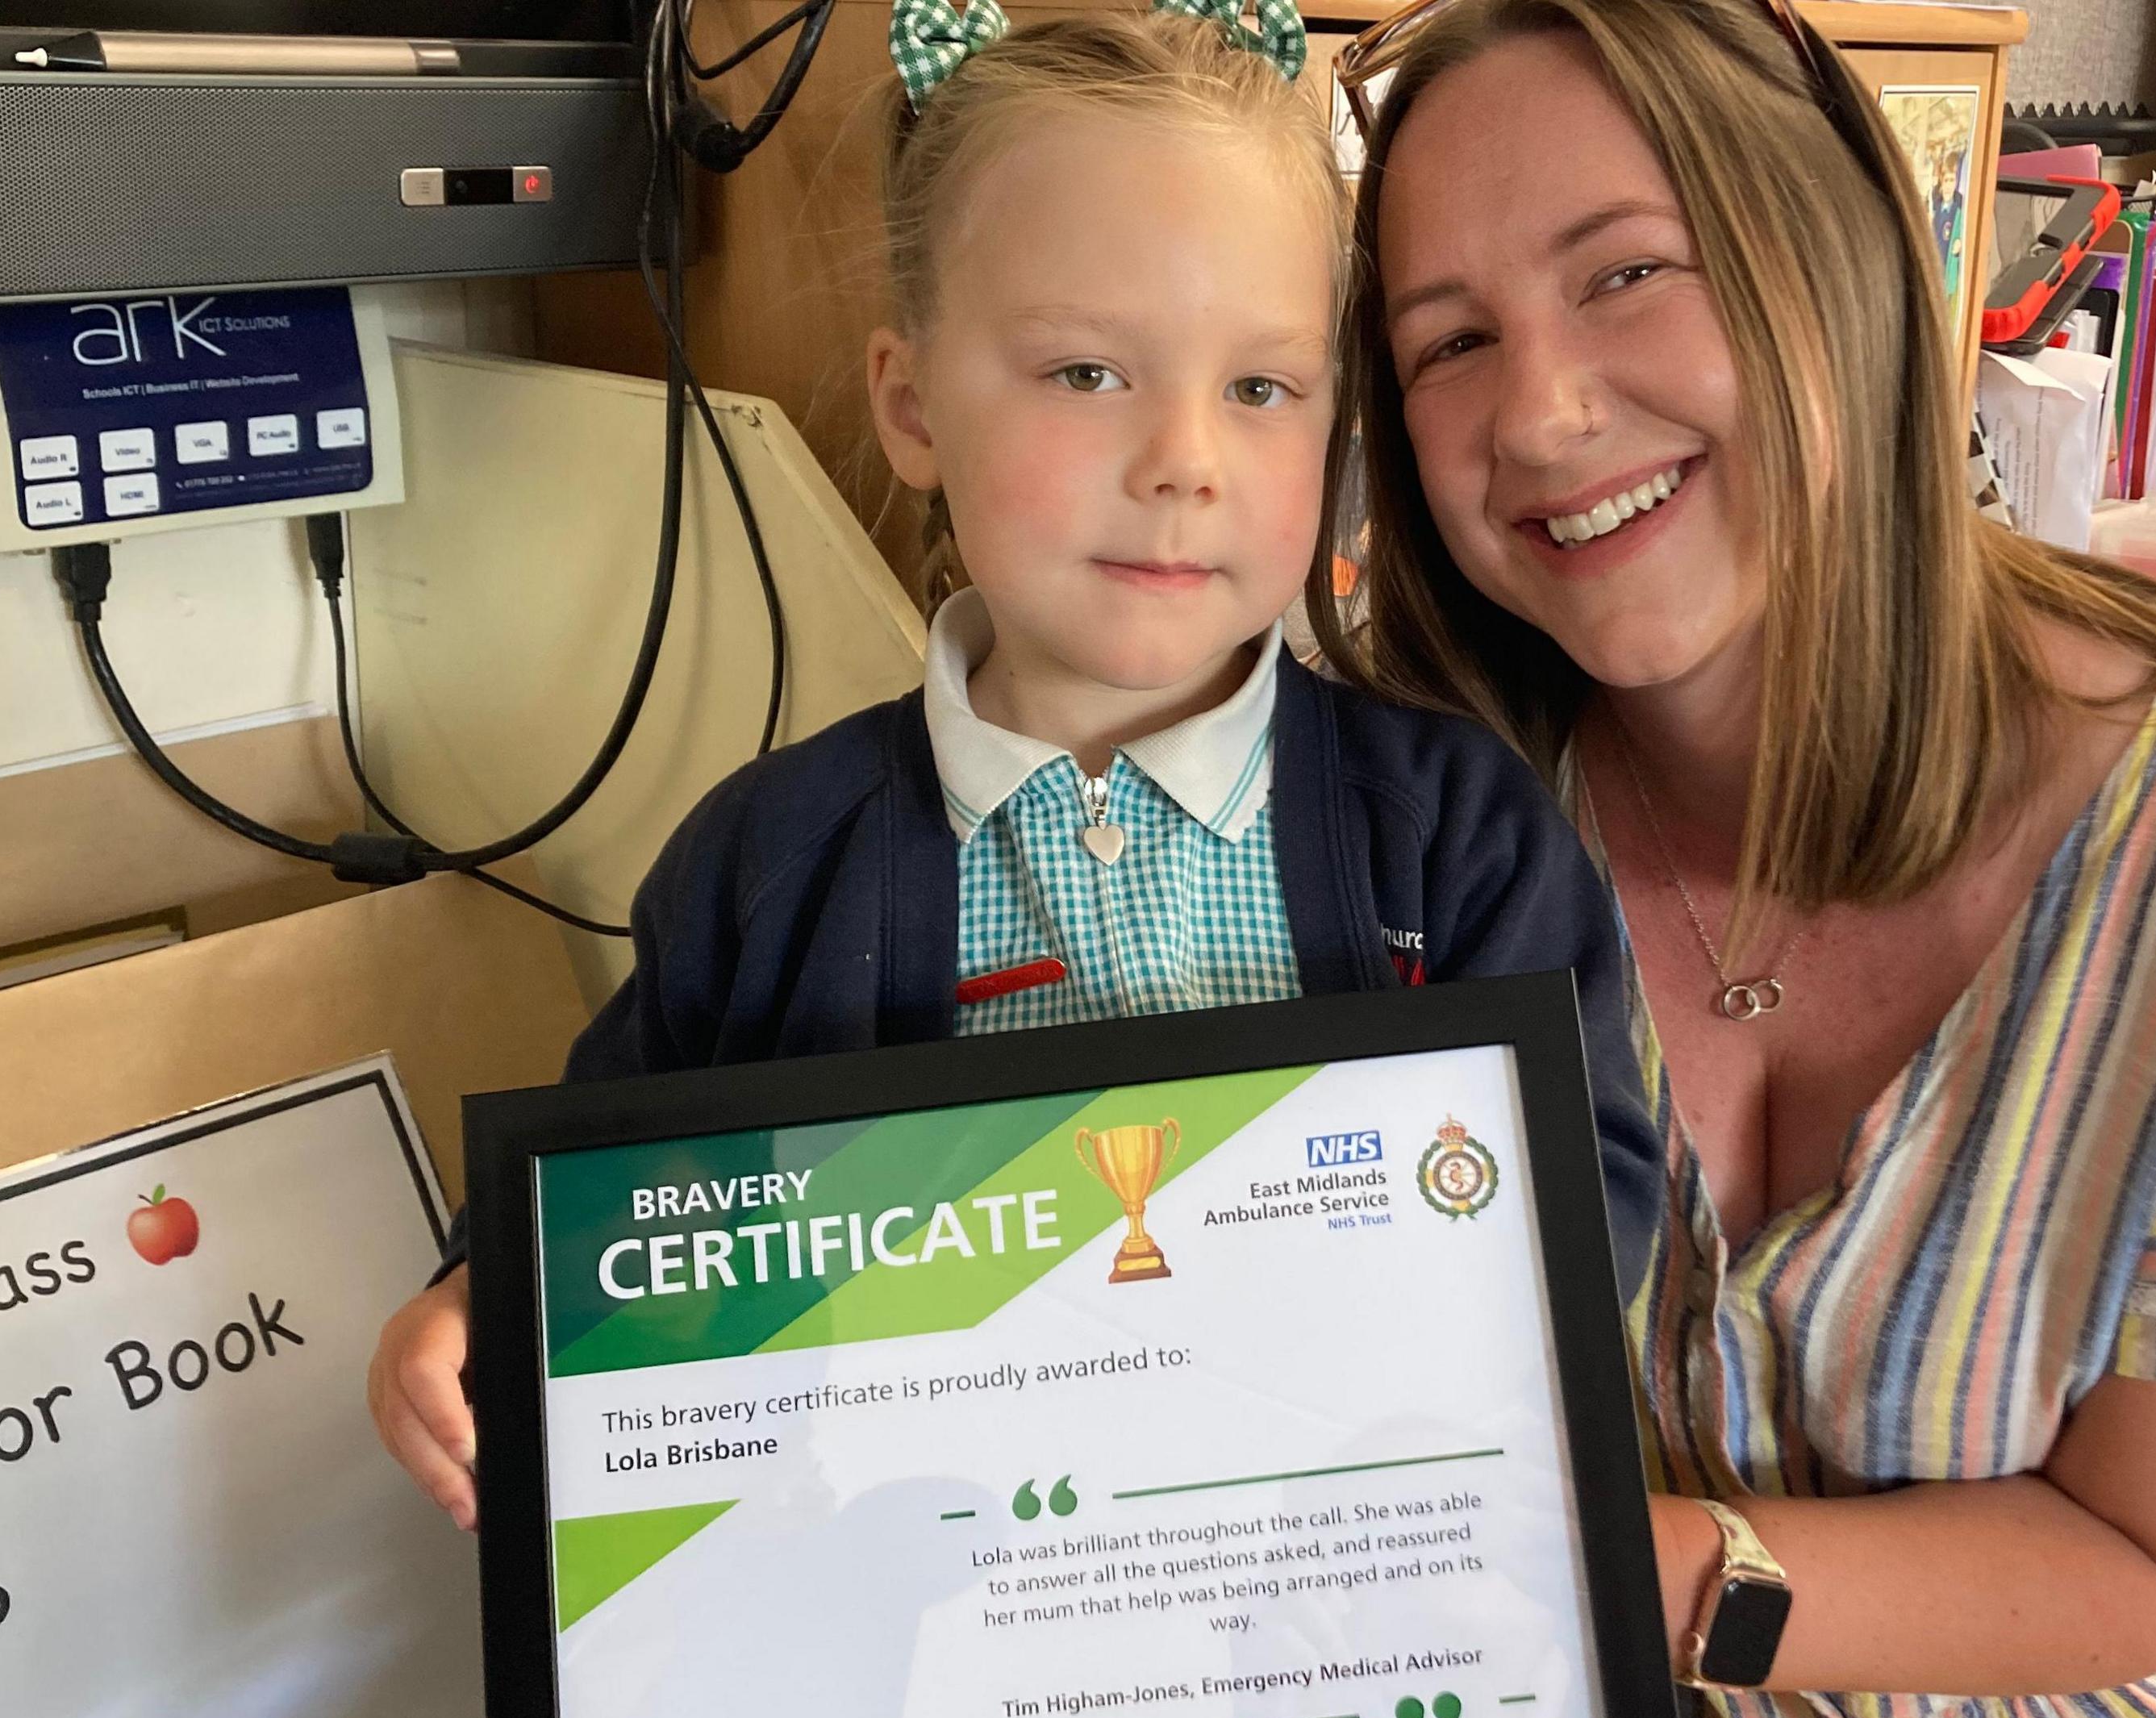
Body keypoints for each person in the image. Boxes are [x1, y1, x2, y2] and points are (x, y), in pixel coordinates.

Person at [1319, 0, 2156, 1718]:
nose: (1536, 412)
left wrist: (1600, 1575)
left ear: (1835, 265)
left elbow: (2147, 1562)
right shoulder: (1414, 821)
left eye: (1627, 275)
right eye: (1449, 341)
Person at [368, 0, 1659, 1531]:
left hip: (1320, 1579)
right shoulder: (762, 865)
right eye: (1085, 373)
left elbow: (1593, 1196)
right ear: (913, 404)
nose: (1185, 457)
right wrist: (480, 1303)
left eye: (1261, 388)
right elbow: (634, 1206)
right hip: (935, 1607)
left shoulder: (1455, 834)